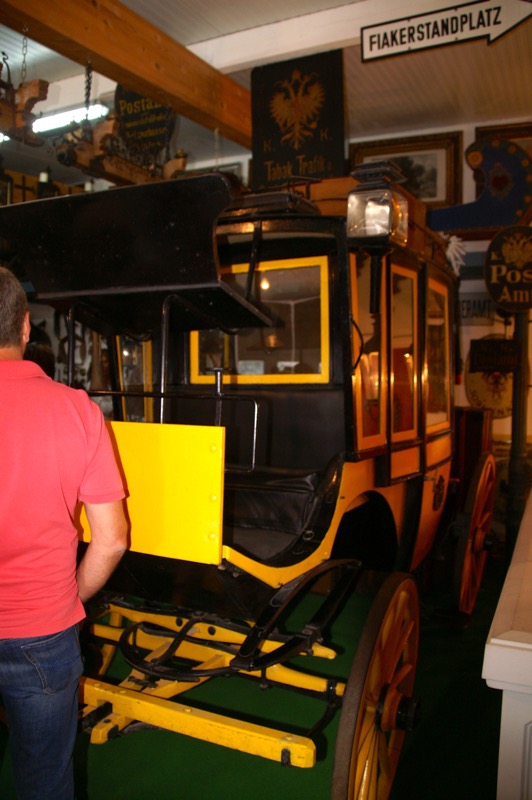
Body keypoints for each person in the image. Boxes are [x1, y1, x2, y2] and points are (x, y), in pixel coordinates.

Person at [0, 266, 128, 800]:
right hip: (42, 632)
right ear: (25, 327)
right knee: (44, 781)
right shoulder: (76, 410)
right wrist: (70, 596)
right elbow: (112, 539)